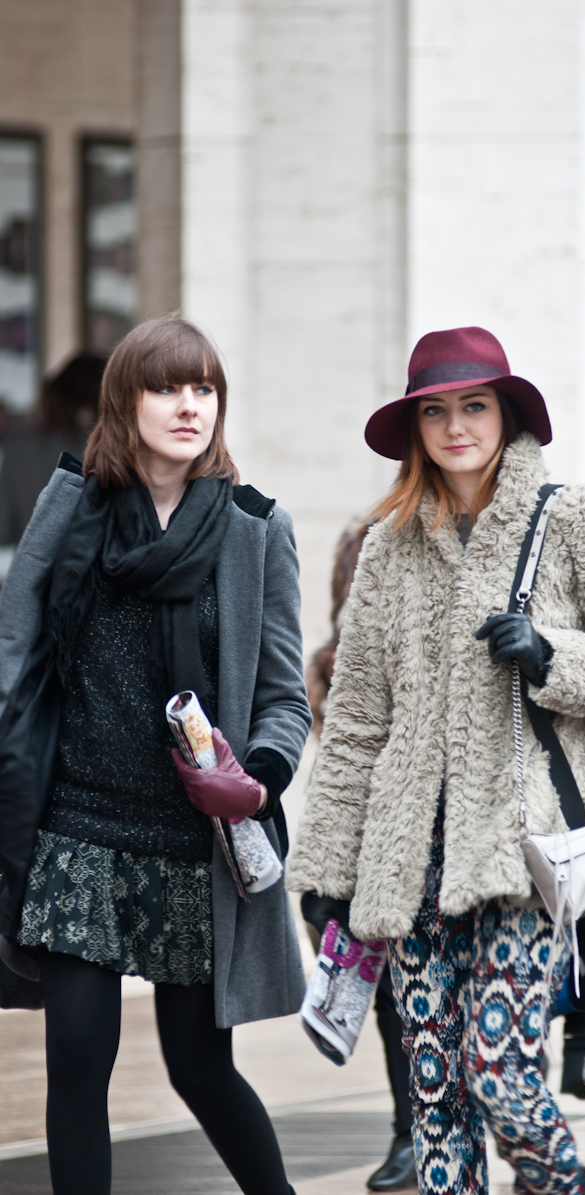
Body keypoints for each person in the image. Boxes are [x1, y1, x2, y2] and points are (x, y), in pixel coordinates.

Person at [286, 326, 585, 1195]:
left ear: (507, 414)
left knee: (499, 1072)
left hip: (526, 858)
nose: (456, 426)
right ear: (415, 427)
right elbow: (356, 718)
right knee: (437, 1103)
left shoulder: (574, 520)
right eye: (435, 410)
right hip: (408, 867)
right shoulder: (389, 544)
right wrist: (328, 866)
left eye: (474, 406)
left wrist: (553, 654)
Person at [0, 315, 311, 1195]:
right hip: (76, 828)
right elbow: (14, 648)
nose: (188, 405)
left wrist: (260, 781)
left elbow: (285, 697)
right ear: (123, 401)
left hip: (190, 842)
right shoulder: (75, 509)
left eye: (204, 388)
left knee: (201, 1071)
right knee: (77, 1063)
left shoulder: (256, 530)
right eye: (166, 387)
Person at [305, 515, 417, 1192]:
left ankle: (491, 1110)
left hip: (462, 816)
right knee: (390, 993)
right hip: (376, 825)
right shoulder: (371, 534)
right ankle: (411, 1130)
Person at [0, 351, 106, 548]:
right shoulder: (108, 445)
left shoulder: (20, 443)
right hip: (94, 571)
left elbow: (5, 527)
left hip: (33, 571)